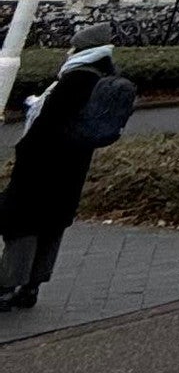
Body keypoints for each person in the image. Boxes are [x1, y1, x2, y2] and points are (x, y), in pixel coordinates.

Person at [0, 40, 138, 308]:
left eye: (73, 48)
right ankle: (31, 287)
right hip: (72, 165)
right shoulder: (102, 77)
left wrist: (25, 147)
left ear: (82, 51)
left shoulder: (75, 79)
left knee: (21, 225)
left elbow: (48, 122)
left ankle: (6, 285)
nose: (68, 52)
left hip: (43, 166)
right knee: (52, 225)